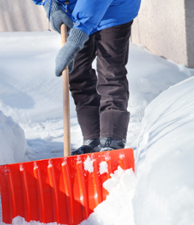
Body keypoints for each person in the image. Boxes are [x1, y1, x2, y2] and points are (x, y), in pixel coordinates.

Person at [32, 0, 141, 154]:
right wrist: (51, 4)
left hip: (114, 8)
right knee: (77, 72)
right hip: (75, 10)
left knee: (110, 71)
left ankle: (112, 139)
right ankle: (93, 139)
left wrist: (77, 37)